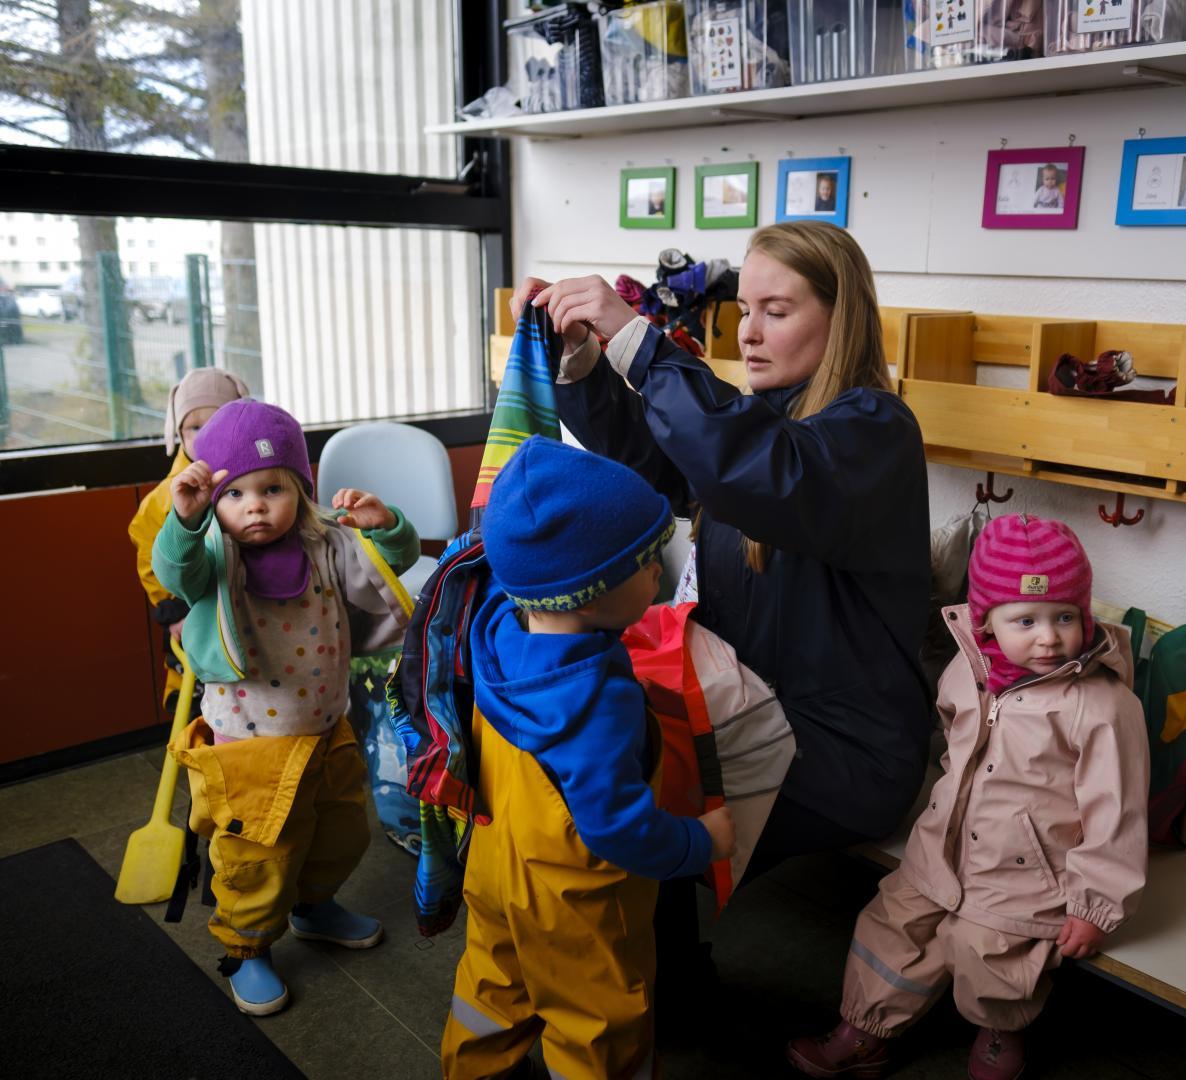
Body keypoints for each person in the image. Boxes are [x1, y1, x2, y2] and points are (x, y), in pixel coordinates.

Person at [518, 221, 932, 966]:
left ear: (841, 320)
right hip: (750, 709)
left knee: (631, 794)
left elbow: (763, 470)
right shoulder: (764, 420)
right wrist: (581, 362)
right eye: (744, 310)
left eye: (777, 311)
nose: (749, 332)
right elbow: (659, 461)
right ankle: (631, 980)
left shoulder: (876, 430)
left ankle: (650, 989)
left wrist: (640, 343)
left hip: (844, 748)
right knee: (597, 762)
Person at [786, 514, 1149, 1080]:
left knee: (991, 956)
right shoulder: (967, 668)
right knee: (892, 925)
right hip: (941, 848)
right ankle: (866, 1028)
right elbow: (954, 735)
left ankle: (1001, 1027)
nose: (1048, 637)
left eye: (1065, 616)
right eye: (1025, 620)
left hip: (1023, 876)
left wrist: (1096, 905)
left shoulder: (1102, 705)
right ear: (985, 622)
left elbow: (1118, 813)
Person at [441, 436, 736, 1079]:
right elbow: (617, 829)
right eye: (646, 562)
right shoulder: (598, 703)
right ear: (590, 593)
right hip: (573, 901)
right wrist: (700, 842)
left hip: (494, 866)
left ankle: (475, 1070)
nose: (658, 572)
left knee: (491, 985)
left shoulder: (494, 629)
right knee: (597, 1021)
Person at [152, 399, 419, 1016]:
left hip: (326, 725)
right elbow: (175, 572)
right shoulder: (212, 554)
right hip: (250, 744)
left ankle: (314, 906)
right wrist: (185, 520)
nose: (255, 506)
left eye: (272, 489)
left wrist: (385, 526)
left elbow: (389, 564)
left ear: (301, 488)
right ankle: (247, 946)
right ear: (214, 500)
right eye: (235, 493)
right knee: (258, 854)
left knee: (338, 830)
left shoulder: (325, 542)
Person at [128, 367, 249, 710]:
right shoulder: (163, 500)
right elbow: (150, 560)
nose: (205, 435)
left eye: (218, 422)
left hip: (250, 605)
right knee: (203, 704)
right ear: (178, 433)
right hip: (193, 613)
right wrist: (174, 611)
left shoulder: (253, 483)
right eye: (194, 427)